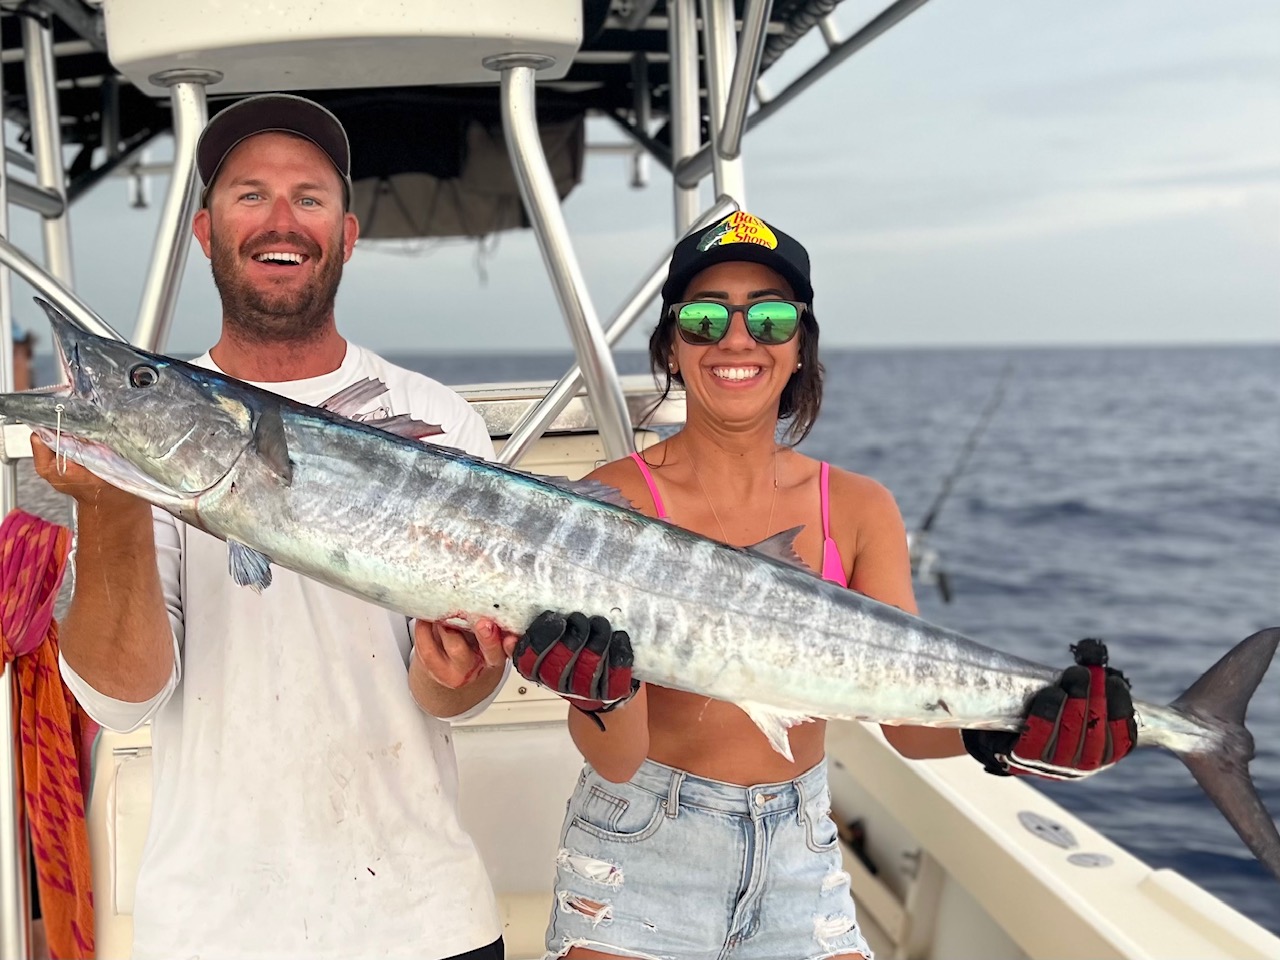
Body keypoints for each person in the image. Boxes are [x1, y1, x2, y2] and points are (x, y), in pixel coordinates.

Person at [512, 211, 1138, 960]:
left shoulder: (858, 507)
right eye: (706, 318)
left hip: (802, 850)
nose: (737, 340)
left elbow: (906, 723)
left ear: (801, 346)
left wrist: (1015, 737)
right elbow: (617, 758)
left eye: (771, 318)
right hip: (640, 844)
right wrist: (598, 694)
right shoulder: (610, 503)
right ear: (671, 348)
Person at [32, 94, 516, 960]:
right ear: (205, 233)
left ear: (348, 233)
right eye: (249, 194)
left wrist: (462, 671)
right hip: (214, 931)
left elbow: (452, 694)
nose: (280, 218)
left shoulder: (437, 422)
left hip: (424, 919)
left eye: (310, 196)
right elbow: (124, 697)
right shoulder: (147, 446)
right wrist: (110, 503)